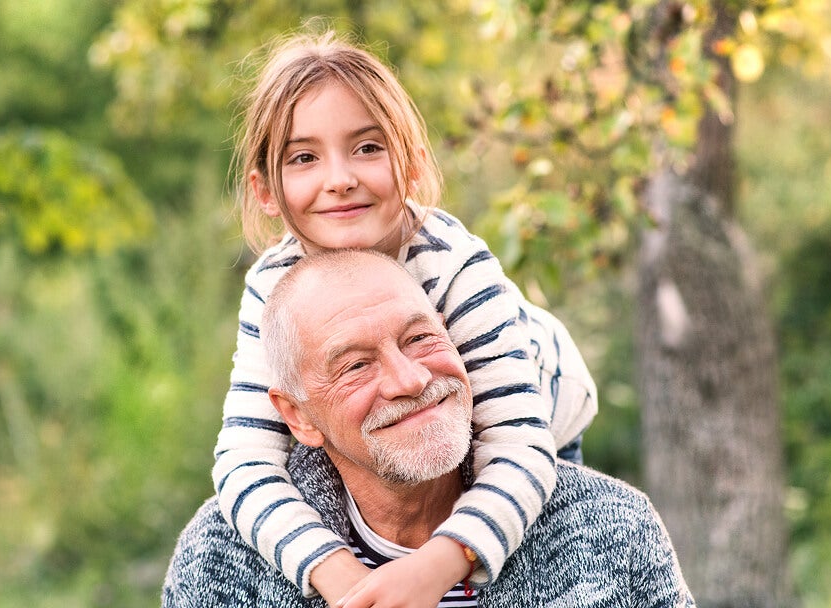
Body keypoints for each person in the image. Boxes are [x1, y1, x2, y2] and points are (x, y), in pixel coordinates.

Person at [213, 30, 598, 607]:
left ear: (412, 163)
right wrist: (337, 574)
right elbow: (245, 461)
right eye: (304, 158)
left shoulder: (453, 262)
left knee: (532, 565)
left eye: (368, 148)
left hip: (535, 420)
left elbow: (519, 445)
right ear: (266, 191)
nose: (340, 178)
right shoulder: (274, 289)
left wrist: (436, 566)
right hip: (395, 451)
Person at [165, 249, 695, 607]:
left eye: (420, 339)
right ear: (298, 416)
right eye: (356, 366)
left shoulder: (609, 530)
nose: (411, 379)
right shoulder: (220, 560)